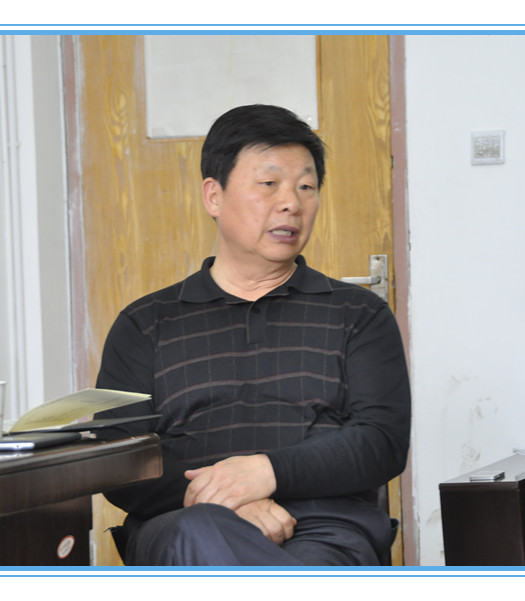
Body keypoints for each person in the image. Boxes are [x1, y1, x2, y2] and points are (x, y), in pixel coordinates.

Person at [93, 104, 411, 566]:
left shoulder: (358, 314)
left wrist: (267, 473)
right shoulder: (145, 324)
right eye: (268, 184)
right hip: (186, 522)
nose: (292, 203)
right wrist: (227, 500)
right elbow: (119, 460)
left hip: (324, 526)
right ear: (213, 196)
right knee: (201, 536)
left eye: (306, 187)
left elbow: (381, 443)